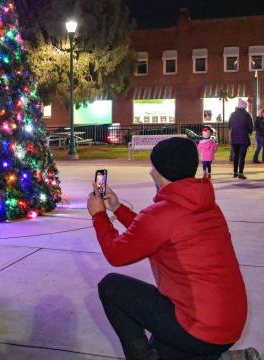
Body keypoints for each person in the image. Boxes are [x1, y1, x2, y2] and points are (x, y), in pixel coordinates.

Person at [87, 137, 253, 360]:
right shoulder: (206, 205)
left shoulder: (161, 215)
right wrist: (117, 208)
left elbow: (116, 254)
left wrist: (98, 215)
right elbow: (154, 232)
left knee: (111, 287)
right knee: (163, 345)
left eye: (153, 166)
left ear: (162, 171)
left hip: (200, 328)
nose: (150, 172)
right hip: (228, 325)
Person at [228, 99, 253, 179]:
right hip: (243, 138)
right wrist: (249, 132)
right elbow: (250, 127)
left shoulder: (232, 114)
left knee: (236, 155)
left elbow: (229, 125)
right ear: (244, 106)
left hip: (234, 138)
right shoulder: (247, 114)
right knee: (242, 157)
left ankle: (235, 172)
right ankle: (240, 174)